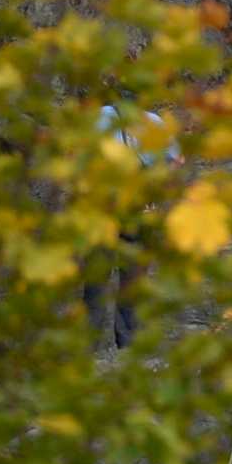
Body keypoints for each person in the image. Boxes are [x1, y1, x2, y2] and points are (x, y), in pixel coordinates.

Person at [84, 101, 179, 349]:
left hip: (102, 206)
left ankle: (89, 345)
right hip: (138, 206)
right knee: (133, 278)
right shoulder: (154, 121)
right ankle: (129, 342)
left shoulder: (97, 116)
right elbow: (175, 162)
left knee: (97, 277)